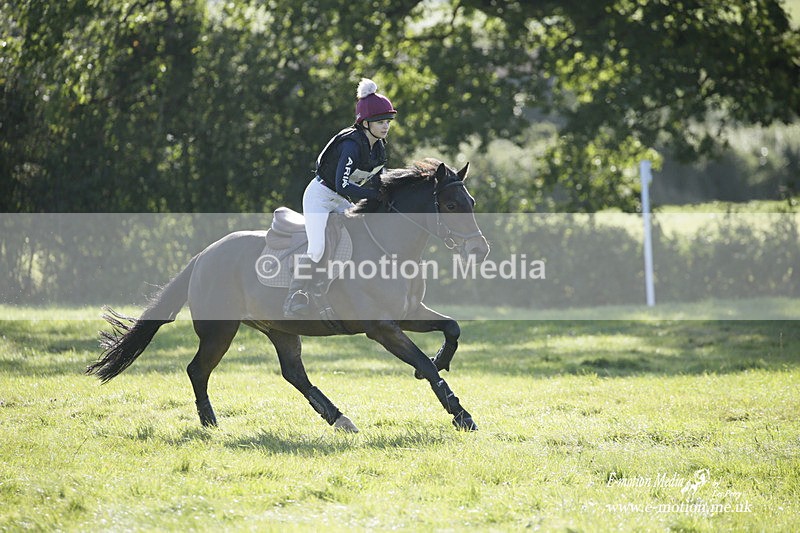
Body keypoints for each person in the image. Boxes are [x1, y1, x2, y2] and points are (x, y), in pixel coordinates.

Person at [283, 78, 397, 318]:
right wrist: (373, 196)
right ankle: (295, 295)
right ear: (365, 123)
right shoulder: (351, 146)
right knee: (317, 248)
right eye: (380, 122)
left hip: (341, 199)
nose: (385, 126)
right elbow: (341, 184)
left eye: (387, 122)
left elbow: (377, 182)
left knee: (359, 238)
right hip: (321, 196)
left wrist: (385, 197)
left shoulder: (378, 148)